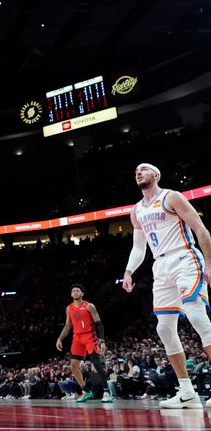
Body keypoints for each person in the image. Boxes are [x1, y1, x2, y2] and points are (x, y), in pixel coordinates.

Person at [123, 163, 211, 409]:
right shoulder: (136, 210)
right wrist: (129, 271)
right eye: (136, 170)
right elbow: (139, 248)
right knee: (164, 329)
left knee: (196, 315)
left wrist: (210, 264)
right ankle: (187, 393)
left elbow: (201, 229)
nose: (138, 171)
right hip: (160, 266)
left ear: (156, 175)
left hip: (185, 257)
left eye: (144, 169)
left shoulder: (171, 197)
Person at [54, 284, 113, 403]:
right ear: (71, 294)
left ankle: (107, 392)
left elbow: (99, 324)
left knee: (96, 363)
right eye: (73, 291)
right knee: (73, 366)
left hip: (89, 336)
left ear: (82, 294)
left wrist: (102, 341)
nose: (75, 292)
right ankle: (85, 391)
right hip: (77, 338)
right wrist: (59, 338)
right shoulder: (69, 308)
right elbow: (67, 325)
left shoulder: (89, 306)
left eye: (78, 291)